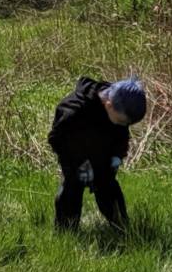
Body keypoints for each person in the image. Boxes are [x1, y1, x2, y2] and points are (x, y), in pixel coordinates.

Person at [47, 75, 146, 231]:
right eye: (122, 122)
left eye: (127, 123)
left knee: (108, 187)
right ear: (108, 104)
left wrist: (117, 157)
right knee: (71, 190)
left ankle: (122, 227)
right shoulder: (73, 110)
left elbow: (121, 136)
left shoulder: (121, 104)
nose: (124, 125)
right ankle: (66, 231)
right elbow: (56, 139)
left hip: (103, 157)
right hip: (74, 158)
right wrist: (79, 164)